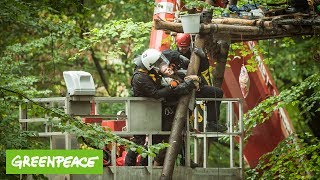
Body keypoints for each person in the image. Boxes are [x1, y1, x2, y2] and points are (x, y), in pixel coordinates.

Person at [124, 48, 199, 166]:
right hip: (143, 113)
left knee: (155, 141)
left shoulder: (146, 71)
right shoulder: (141, 77)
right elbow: (156, 94)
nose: (158, 66)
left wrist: (178, 61)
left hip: (150, 112)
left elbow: (159, 84)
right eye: (156, 64)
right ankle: (129, 167)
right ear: (149, 64)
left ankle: (144, 164)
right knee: (140, 141)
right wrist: (172, 87)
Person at [162, 34, 226, 132]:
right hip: (177, 89)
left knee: (217, 92)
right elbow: (162, 56)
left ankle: (212, 123)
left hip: (193, 86)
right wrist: (179, 56)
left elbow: (204, 68)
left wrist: (203, 57)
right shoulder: (171, 55)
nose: (183, 49)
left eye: (185, 47)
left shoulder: (194, 54)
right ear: (177, 44)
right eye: (181, 47)